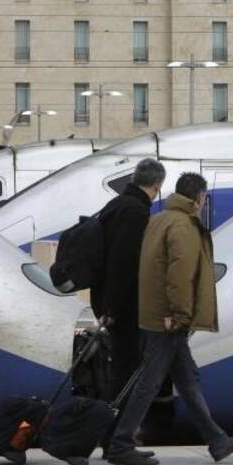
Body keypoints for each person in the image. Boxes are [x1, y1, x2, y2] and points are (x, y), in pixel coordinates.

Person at [106, 173, 233, 465]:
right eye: (204, 197)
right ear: (198, 198)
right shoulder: (183, 226)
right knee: (149, 382)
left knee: (187, 380)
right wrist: (180, 314)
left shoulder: (158, 220)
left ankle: (218, 441)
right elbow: (179, 275)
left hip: (154, 313)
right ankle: (120, 443)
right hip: (168, 318)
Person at [97, 158, 165, 401]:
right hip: (125, 307)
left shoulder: (115, 205)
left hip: (110, 301)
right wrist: (112, 307)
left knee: (122, 366)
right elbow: (123, 263)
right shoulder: (136, 212)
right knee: (125, 369)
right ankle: (115, 428)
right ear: (157, 185)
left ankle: (117, 427)